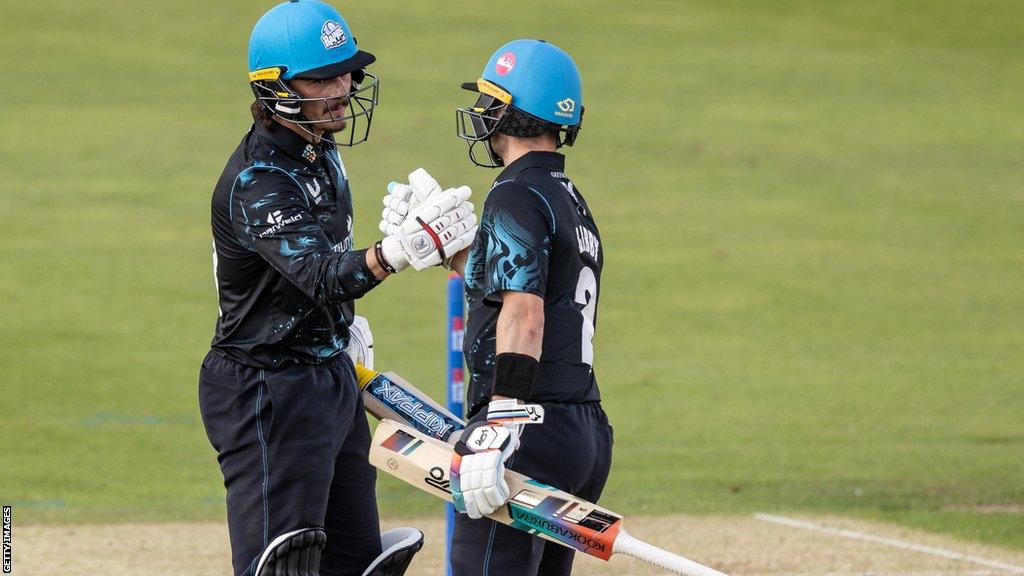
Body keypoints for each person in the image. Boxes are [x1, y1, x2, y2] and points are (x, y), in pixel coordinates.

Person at [198, 2, 475, 575]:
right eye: (323, 77)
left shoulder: (320, 151)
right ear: (273, 88)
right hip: (267, 388)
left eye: (347, 71)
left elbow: (323, 277)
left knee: (356, 561)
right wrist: (401, 248)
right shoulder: (258, 180)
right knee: (284, 563)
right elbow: (321, 274)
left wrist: (343, 327)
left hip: (328, 375)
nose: (343, 88)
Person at [450, 39, 614, 576]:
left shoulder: (514, 193)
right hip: (581, 429)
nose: (482, 116)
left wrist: (502, 420)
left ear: (512, 114)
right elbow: (534, 288)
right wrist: (455, 255)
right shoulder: (570, 199)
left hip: (528, 428)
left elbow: (525, 313)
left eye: (491, 102)